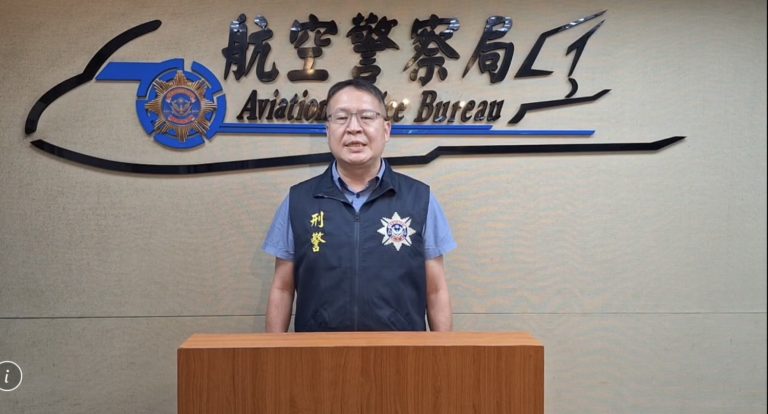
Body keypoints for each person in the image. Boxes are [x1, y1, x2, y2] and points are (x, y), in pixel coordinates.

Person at [263, 78, 456, 332]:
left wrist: (442, 352)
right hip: (319, 351)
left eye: (366, 117)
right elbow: (282, 288)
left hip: (402, 352)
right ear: (327, 130)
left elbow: (436, 290)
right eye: (341, 118)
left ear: (386, 130)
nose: (354, 128)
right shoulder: (298, 200)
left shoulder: (420, 199)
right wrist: (274, 350)